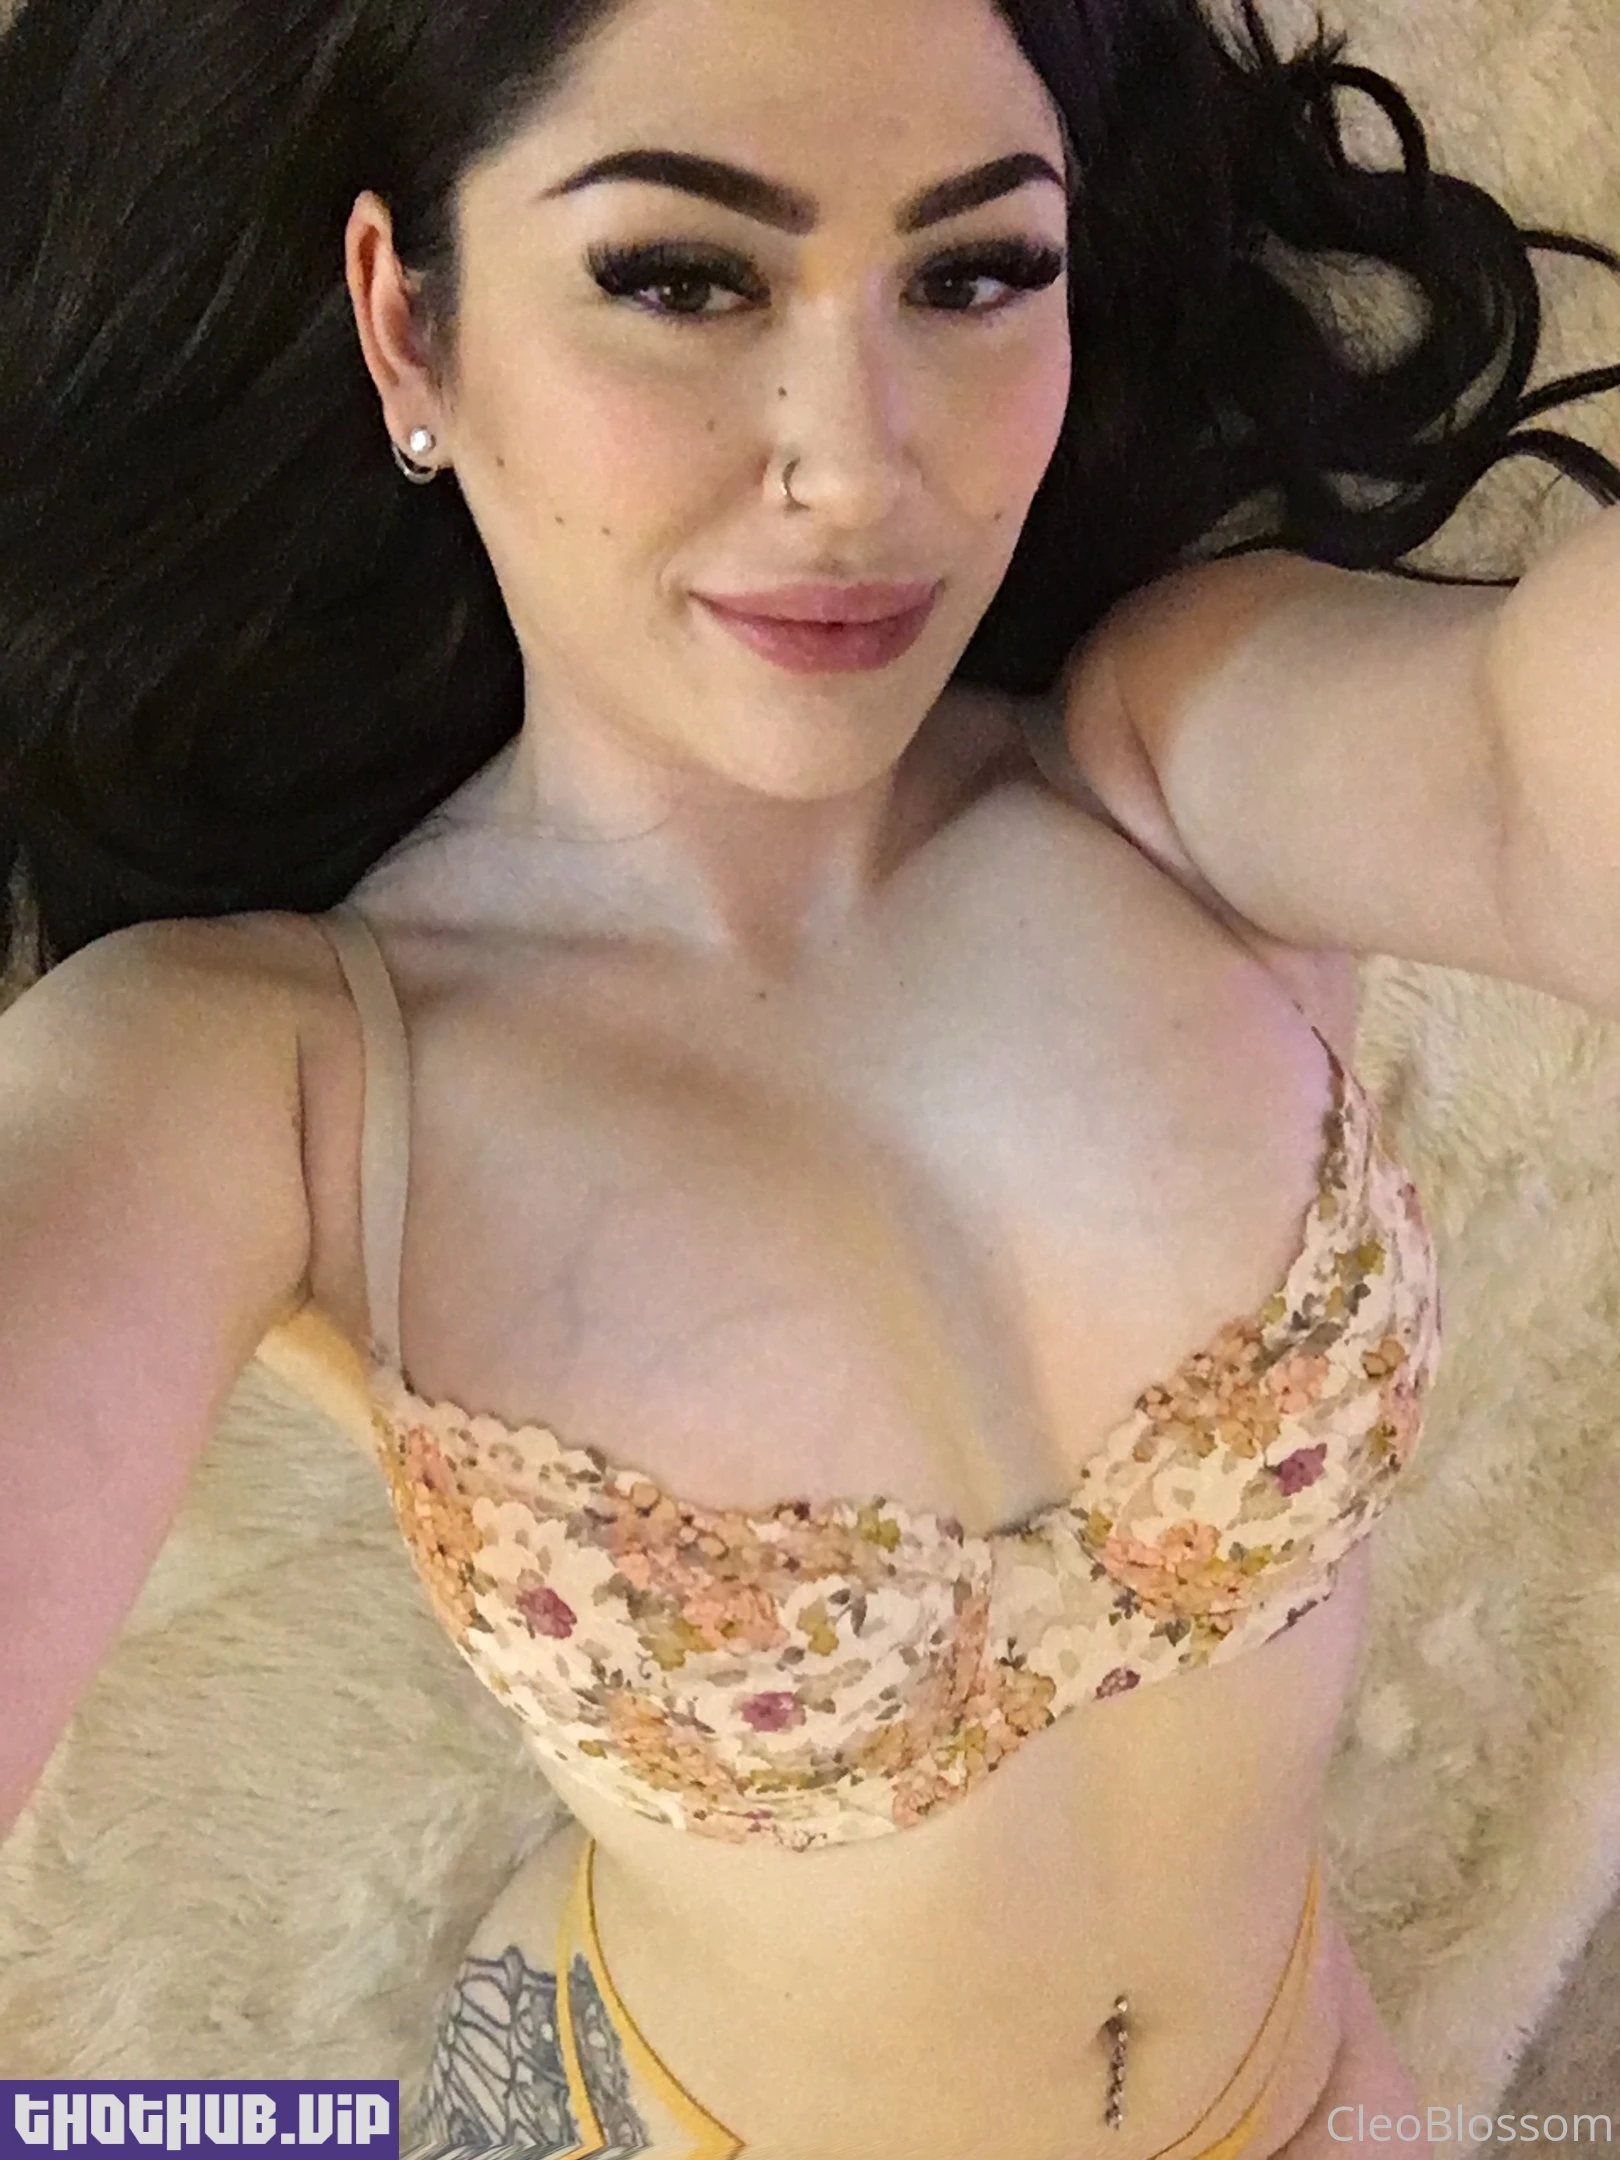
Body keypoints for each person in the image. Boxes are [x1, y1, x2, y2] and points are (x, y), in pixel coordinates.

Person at [2, 0, 1619, 2151]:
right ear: (411, 328)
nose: (858, 469)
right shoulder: (263, 1077)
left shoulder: (1172, 758)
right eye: (684, 279)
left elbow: (1536, 768)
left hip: (1315, 2088)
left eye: (976, 273)